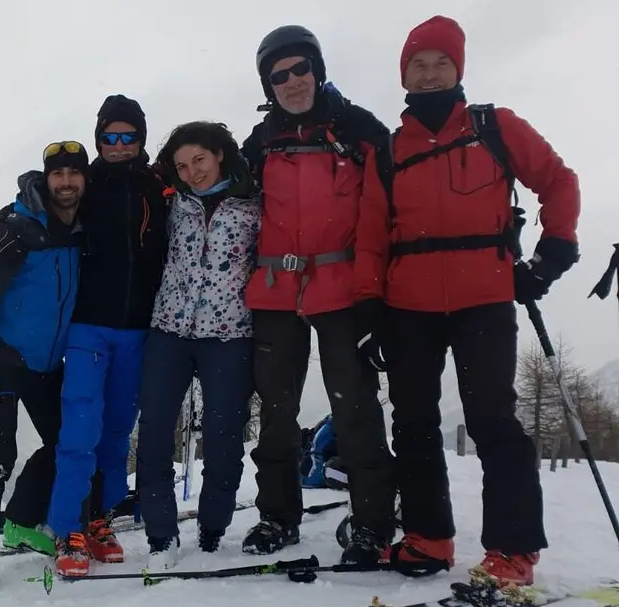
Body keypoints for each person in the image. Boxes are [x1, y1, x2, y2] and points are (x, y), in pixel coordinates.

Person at [353, 15, 580, 587]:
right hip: (408, 305)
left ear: (459, 70)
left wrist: (552, 253)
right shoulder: (387, 150)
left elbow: (558, 180)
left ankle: (512, 548)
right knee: (413, 424)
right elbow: (372, 232)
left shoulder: (494, 128)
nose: (429, 75)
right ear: (403, 74)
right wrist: (369, 305)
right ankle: (429, 537)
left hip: (484, 296)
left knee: (491, 420)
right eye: (417, 65)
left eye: (440, 64)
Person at [240, 25, 397, 564]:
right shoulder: (259, 143)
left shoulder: (359, 130)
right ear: (268, 85)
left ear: (318, 68)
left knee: (354, 409)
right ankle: (277, 518)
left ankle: (374, 521)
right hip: (275, 292)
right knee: (277, 414)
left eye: (300, 68)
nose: (292, 81)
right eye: (278, 75)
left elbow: (398, 202)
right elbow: (212, 190)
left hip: (345, 291)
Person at [0, 141, 88, 594]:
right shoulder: (21, 231)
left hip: (50, 363)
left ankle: (21, 522)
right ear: (46, 180)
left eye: (74, 174)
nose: (66, 183)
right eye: (58, 175)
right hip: (5, 361)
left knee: (66, 442)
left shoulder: (82, 230)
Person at [40, 94, 170, 577]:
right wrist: (0, 223)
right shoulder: (85, 184)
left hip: (138, 329)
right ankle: (66, 525)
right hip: (88, 327)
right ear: (98, 140)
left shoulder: (159, 188)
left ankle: (100, 518)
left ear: (141, 138)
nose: (118, 144)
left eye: (128, 136)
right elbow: (40, 196)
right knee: (80, 429)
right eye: (109, 136)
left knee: (117, 429)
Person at [135, 121, 261, 570]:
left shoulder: (253, 204)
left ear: (220, 154)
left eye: (199, 161)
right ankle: (160, 536)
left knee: (224, 436)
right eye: (182, 165)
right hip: (168, 330)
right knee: (154, 433)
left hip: (229, 335)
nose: (192, 173)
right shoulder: (170, 201)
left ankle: (212, 528)